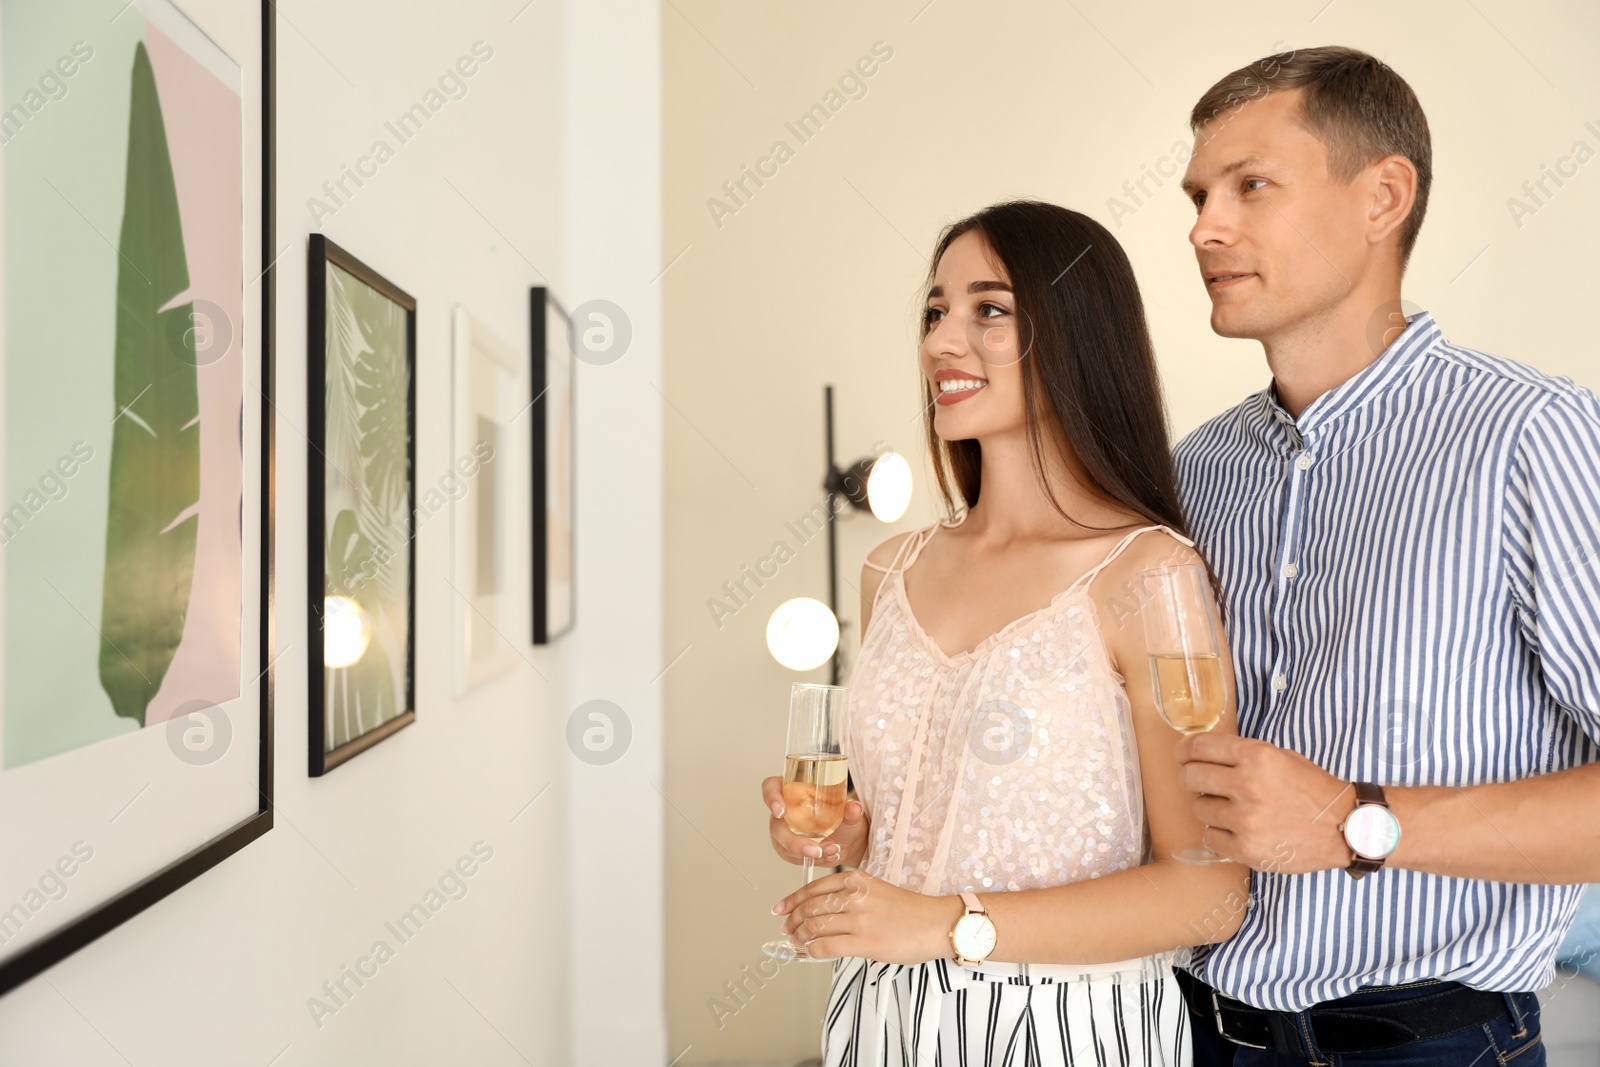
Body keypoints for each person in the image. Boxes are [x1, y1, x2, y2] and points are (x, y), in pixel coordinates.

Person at [1171, 45, 1600, 1065]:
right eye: (1196, 196)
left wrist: (1355, 820)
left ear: (1383, 196)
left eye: (1250, 186)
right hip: (1189, 1029)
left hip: (1430, 1044)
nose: (1202, 228)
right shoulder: (1190, 473)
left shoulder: (1528, 436)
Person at [761, 200, 1248, 1066]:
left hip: (1067, 1031)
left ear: (1077, 334)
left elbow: (1209, 891)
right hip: (882, 1017)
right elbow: (922, 818)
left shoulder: (1151, 576)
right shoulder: (891, 571)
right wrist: (845, 839)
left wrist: (949, 925)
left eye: (989, 309)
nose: (942, 341)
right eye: (935, 312)